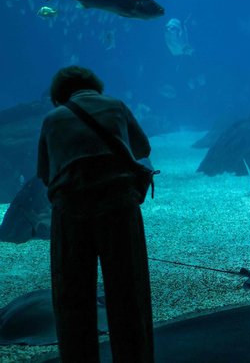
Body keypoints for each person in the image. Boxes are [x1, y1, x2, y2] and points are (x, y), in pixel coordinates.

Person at [37, 66, 154, 362]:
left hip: (71, 214)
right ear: (95, 85)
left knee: (72, 297)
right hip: (119, 208)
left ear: (59, 94)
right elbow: (142, 148)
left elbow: (44, 173)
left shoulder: (52, 118)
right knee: (129, 292)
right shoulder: (116, 106)